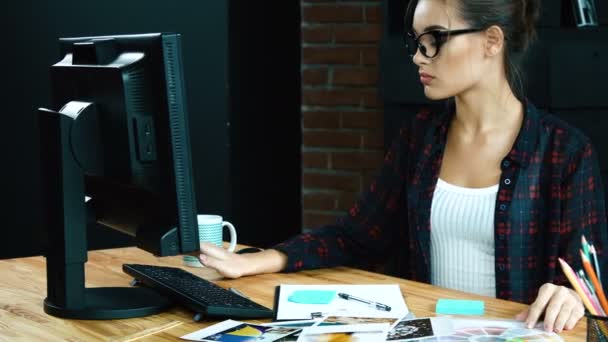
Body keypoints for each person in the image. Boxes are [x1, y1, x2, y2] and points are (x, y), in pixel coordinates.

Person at [194, 0, 608, 334]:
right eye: (415, 41)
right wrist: (261, 260)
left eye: (434, 39)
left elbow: (588, 278)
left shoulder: (564, 152)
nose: (417, 57)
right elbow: (356, 236)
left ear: (491, 41)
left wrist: (575, 296)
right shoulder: (420, 140)